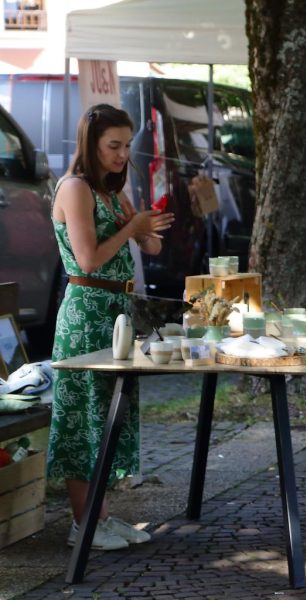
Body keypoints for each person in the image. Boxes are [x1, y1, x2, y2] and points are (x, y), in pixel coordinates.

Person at [50, 104, 173, 551]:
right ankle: (82, 524)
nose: (123, 154)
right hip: (87, 311)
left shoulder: (110, 190)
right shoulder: (76, 187)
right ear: (92, 144)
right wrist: (131, 229)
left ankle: (100, 517)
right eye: (114, 146)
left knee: (108, 415)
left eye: (127, 146)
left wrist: (142, 228)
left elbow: (153, 244)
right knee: (84, 415)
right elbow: (87, 259)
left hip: (116, 308)